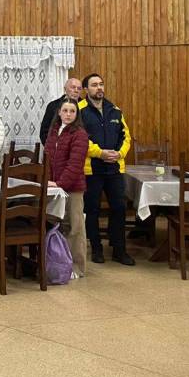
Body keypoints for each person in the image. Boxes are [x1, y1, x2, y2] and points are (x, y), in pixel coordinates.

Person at [79, 73, 134, 266]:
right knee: (92, 210)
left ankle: (119, 250)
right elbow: (79, 139)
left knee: (119, 208)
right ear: (86, 89)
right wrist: (100, 153)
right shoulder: (80, 110)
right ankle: (96, 249)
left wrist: (119, 154)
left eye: (101, 84)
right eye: (94, 85)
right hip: (92, 169)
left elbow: (126, 136)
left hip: (114, 168)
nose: (99, 88)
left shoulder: (115, 110)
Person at [44, 98, 89, 277]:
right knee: (58, 224)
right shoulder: (54, 130)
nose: (68, 114)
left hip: (72, 187)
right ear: (59, 112)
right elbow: (47, 157)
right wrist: (48, 180)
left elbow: (75, 164)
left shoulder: (80, 134)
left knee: (75, 227)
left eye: (72, 111)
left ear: (77, 114)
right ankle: (60, 263)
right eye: (65, 111)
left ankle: (77, 267)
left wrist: (60, 183)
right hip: (54, 186)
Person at [39, 77, 82, 144]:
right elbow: (44, 132)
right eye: (73, 87)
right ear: (65, 89)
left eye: (79, 88)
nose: (76, 90)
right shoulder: (53, 106)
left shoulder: (85, 106)